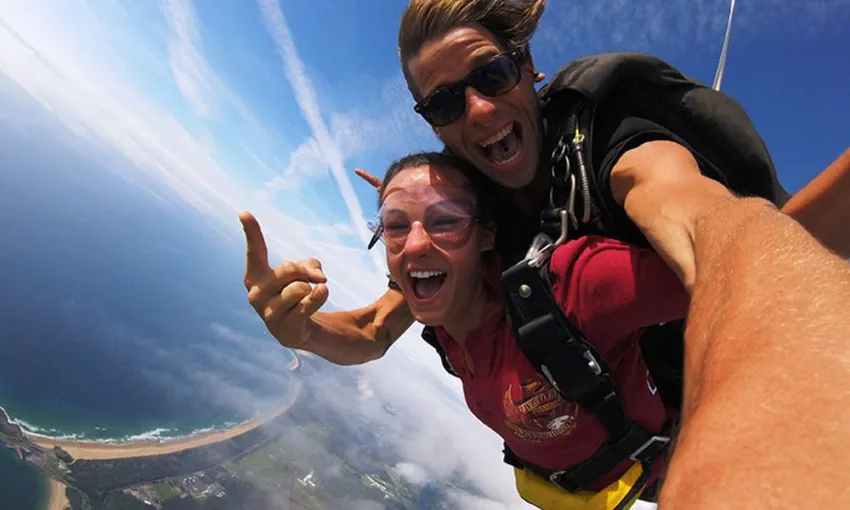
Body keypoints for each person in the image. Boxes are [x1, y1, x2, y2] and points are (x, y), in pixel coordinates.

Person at [240, 0, 850, 506]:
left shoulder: (617, 146)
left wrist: (757, 445)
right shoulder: (464, 228)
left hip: (676, 450)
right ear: (432, 124)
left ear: (528, 65)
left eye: (491, 75)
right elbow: (372, 329)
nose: (477, 108)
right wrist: (303, 331)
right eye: (446, 103)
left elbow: (707, 225)